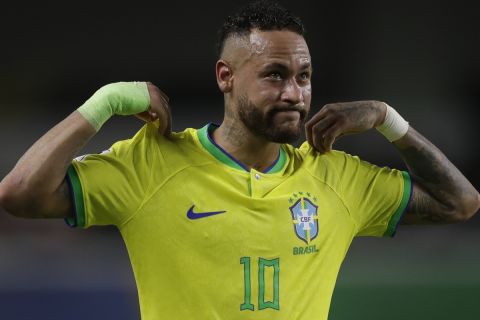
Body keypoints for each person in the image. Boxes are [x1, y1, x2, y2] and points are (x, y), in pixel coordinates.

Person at [0, 1, 478, 319]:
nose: (294, 93)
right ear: (225, 77)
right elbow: (20, 194)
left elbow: (460, 203)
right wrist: (104, 102)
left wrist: (388, 120)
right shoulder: (153, 164)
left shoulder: (335, 174)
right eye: (274, 75)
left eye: (304, 76)